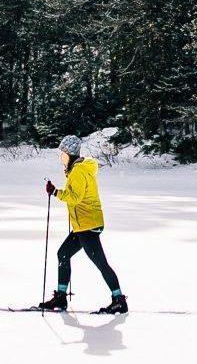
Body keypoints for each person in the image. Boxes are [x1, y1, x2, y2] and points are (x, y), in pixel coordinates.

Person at [34, 135, 127, 314]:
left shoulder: (78, 171)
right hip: (83, 225)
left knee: (101, 263)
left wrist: (55, 192)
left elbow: (75, 198)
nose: (61, 158)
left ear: (71, 154)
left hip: (88, 225)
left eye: (63, 155)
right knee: (63, 254)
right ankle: (61, 298)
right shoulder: (79, 169)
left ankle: (119, 300)